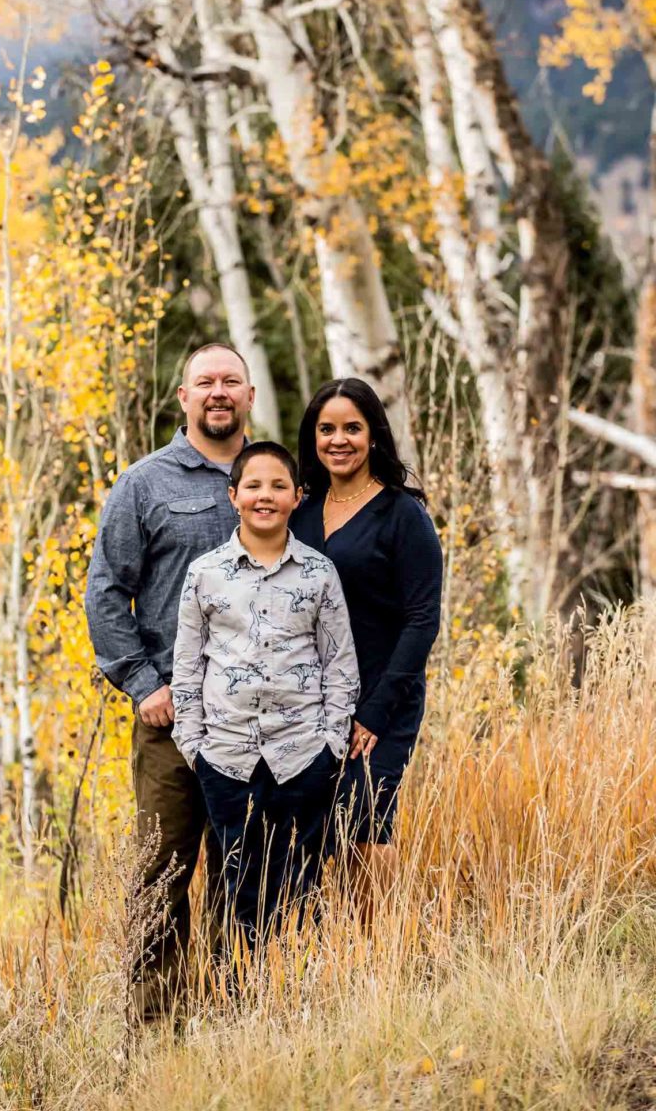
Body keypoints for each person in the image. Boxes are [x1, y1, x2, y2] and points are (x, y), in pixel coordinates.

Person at [84, 343, 255, 1025]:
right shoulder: (145, 484)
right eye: (204, 382)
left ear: (249, 396)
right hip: (172, 719)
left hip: (260, 719)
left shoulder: (274, 478)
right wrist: (142, 683)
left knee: (249, 872)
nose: (218, 392)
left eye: (230, 382)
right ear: (182, 398)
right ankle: (156, 1032)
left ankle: (237, 1019)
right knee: (162, 873)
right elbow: (104, 593)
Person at [171, 442, 360, 942]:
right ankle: (238, 1003)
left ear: (297, 497)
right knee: (237, 889)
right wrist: (195, 749)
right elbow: (187, 667)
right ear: (233, 495)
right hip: (226, 756)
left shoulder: (319, 573)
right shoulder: (205, 573)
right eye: (253, 485)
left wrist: (331, 745)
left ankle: (297, 1003)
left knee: (301, 885)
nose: (265, 496)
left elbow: (340, 663)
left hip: (302, 755)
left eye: (278, 486)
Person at [290, 378, 443, 908]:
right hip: (309, 701)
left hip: (382, 698)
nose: (339, 440)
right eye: (326, 429)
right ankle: (329, 962)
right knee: (315, 831)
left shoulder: (403, 514)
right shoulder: (300, 512)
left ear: (373, 435)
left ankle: (379, 964)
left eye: (351, 428)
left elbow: (422, 621)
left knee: (366, 827)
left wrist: (375, 713)